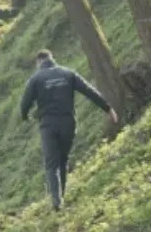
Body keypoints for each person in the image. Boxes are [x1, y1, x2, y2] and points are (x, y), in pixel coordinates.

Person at [19, 50, 119, 211]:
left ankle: (57, 201)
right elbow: (89, 91)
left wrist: (25, 116)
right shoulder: (68, 73)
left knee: (51, 163)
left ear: (39, 62)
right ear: (52, 58)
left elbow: (25, 103)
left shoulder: (35, 79)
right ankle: (62, 195)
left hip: (48, 125)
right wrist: (108, 108)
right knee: (63, 160)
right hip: (68, 123)